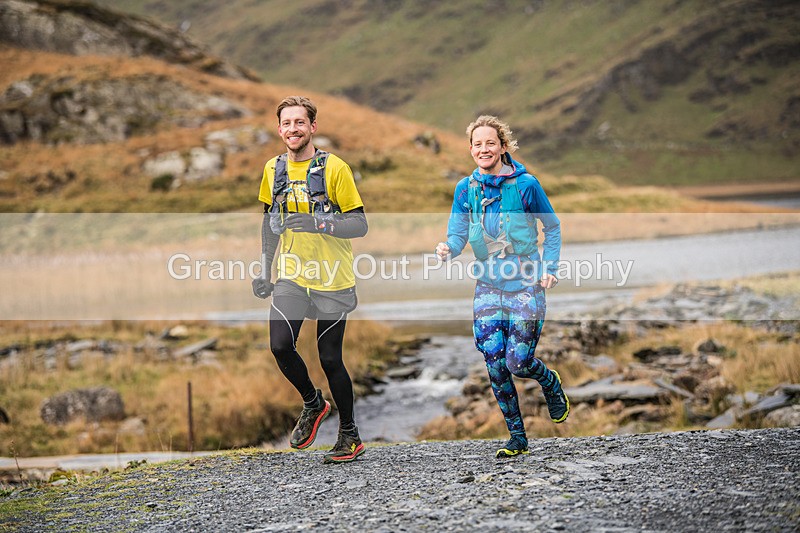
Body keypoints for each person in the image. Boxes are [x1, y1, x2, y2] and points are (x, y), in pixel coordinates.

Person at [435, 115, 569, 458]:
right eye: (477, 144)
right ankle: (517, 438)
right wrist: (448, 247)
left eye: (490, 143)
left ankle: (549, 382)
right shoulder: (466, 189)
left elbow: (551, 229)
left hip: (526, 281)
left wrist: (550, 267)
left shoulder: (527, 185)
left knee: (518, 361)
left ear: (503, 146)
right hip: (488, 285)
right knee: (494, 362)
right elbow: (458, 232)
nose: (484, 149)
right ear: (470, 149)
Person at [253, 96, 368, 464]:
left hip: (332, 278)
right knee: (280, 345)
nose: (292, 129)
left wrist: (320, 222)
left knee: (330, 359)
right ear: (279, 129)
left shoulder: (335, 168)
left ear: (312, 127)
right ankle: (313, 403)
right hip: (291, 276)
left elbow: (359, 224)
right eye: (286, 123)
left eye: (299, 123)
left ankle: (349, 433)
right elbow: (269, 225)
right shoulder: (273, 170)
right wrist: (264, 269)